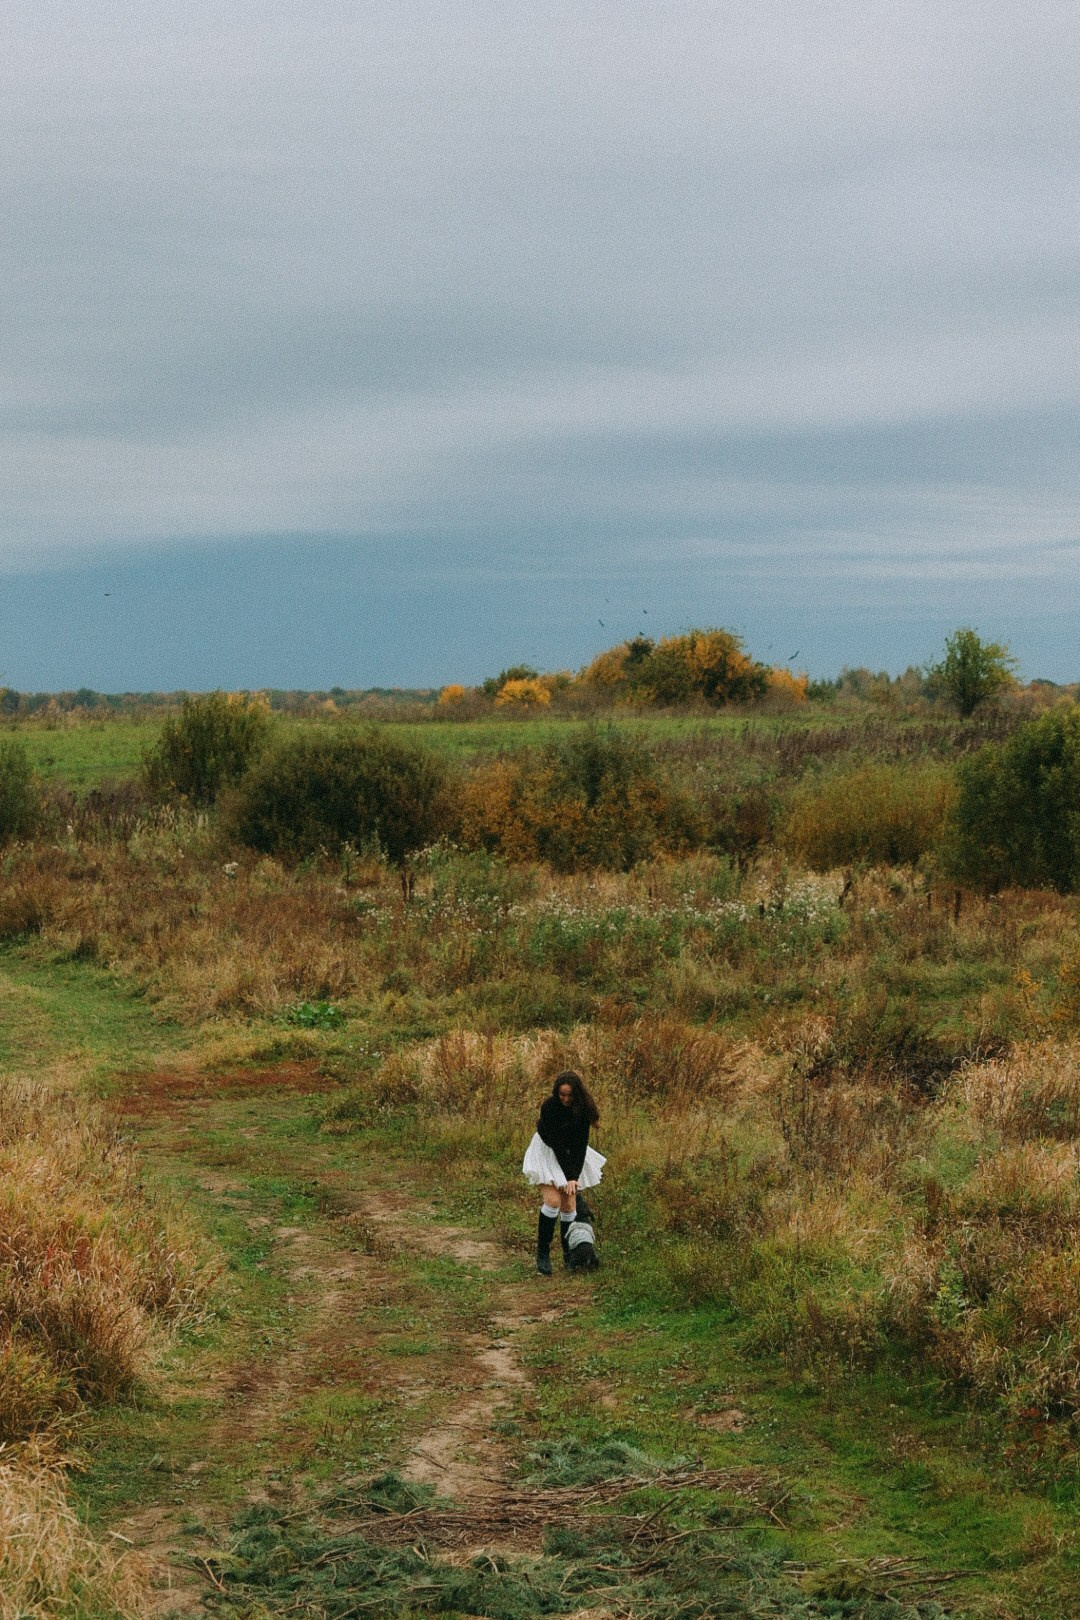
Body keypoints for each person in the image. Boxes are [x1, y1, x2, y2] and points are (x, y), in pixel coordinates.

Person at [522, 1070, 605, 1274]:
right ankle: (543, 1255)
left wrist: (574, 1178)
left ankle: (569, 1255)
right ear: (556, 1093)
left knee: (569, 1205)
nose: (566, 1099)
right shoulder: (549, 1107)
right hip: (547, 1151)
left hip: (570, 1154)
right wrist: (568, 1176)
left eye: (570, 1095)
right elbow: (557, 1144)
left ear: (577, 1094)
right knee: (553, 1201)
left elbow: (581, 1146)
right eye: (562, 1095)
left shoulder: (582, 1110)